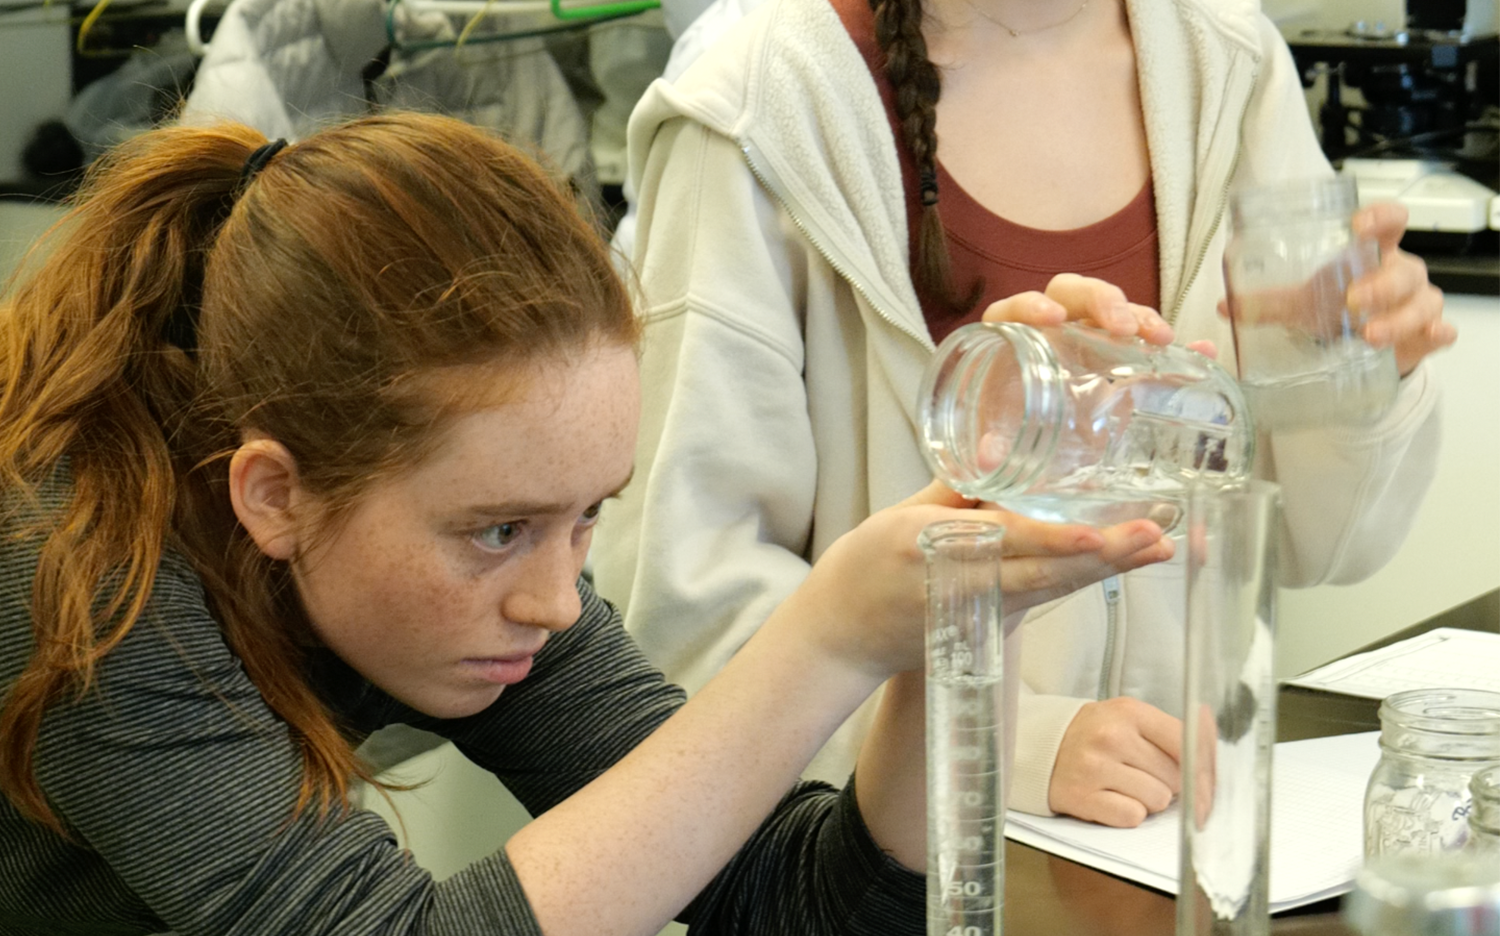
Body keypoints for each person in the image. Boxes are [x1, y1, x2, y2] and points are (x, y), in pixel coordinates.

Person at [591, 0, 1454, 829]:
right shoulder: (764, 108)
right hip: (871, 878)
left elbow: (1319, 545)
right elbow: (682, 609)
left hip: (1172, 848)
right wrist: (1010, 743)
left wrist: (1355, 381)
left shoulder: (1226, 64)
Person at [0, 112, 1170, 936]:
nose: (557, 603)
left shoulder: (504, 573)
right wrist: (828, 640)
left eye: (586, 519)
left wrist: (965, 577)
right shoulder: (72, 563)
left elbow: (795, 907)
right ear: (274, 496)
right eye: (498, 531)